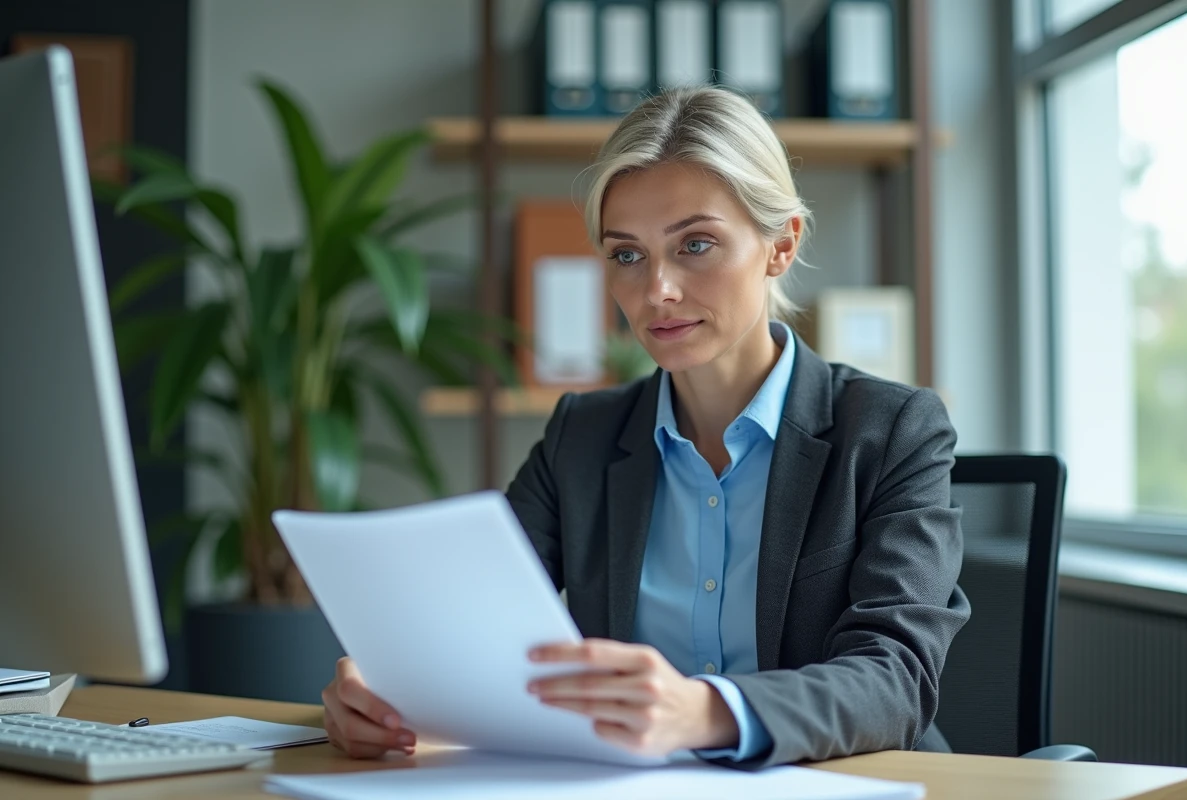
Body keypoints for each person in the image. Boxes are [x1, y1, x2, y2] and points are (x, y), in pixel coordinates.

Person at [320, 86, 970, 770]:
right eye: (627, 255)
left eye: (696, 244)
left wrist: (705, 711)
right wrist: (384, 687)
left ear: (781, 245)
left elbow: (896, 676)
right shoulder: (581, 437)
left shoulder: (893, 431)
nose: (657, 290)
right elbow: (469, 625)